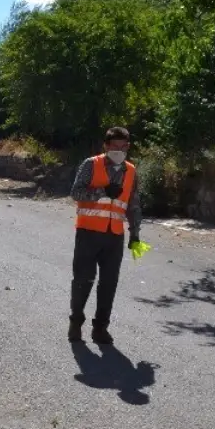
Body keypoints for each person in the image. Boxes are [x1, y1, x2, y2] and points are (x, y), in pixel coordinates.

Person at [68, 126, 142, 345]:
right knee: (83, 280)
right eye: (114, 146)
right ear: (106, 146)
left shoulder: (131, 171)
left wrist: (135, 234)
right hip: (88, 232)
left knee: (109, 284)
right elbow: (75, 192)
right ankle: (76, 322)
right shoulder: (91, 164)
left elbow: (133, 204)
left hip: (114, 236)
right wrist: (102, 192)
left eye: (123, 146)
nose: (119, 150)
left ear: (127, 147)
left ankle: (100, 328)